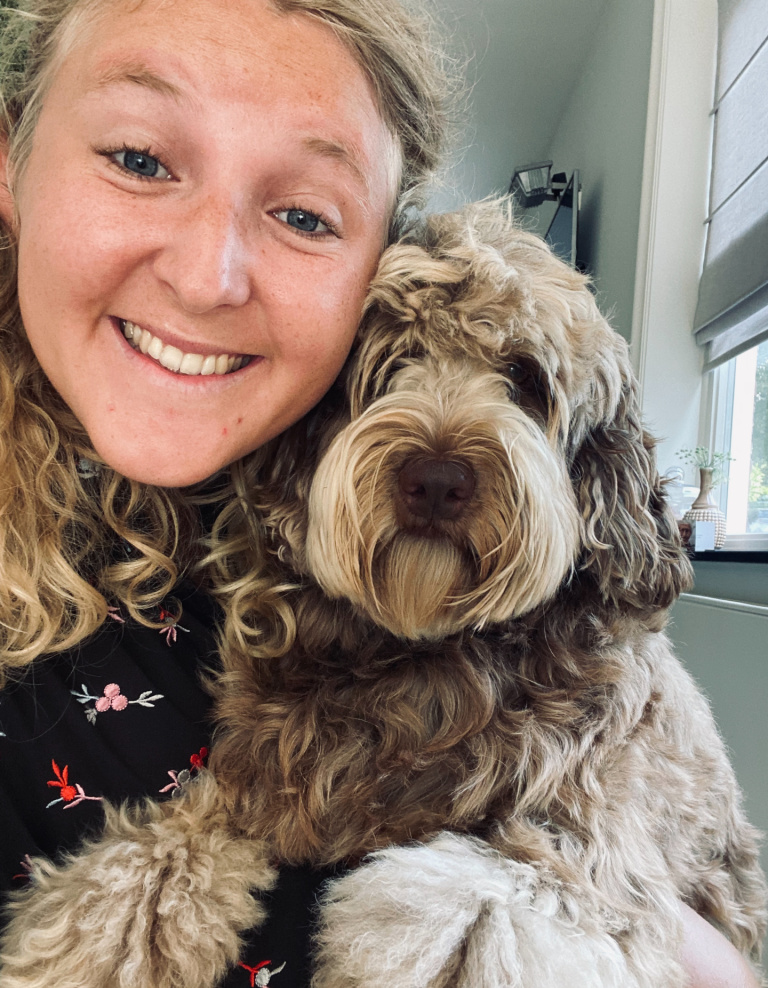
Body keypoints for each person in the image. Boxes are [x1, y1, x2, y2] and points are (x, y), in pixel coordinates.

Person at [0, 1, 760, 985]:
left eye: (305, 214)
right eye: (140, 158)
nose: (206, 276)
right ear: (12, 159)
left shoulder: (249, 555)